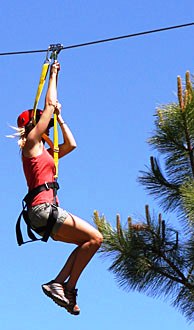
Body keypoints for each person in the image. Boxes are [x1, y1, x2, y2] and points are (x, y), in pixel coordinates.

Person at [16, 61, 103, 315]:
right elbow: (50, 105)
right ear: (33, 125)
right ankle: (66, 286)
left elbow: (71, 145)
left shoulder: (44, 153)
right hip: (42, 209)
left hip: (43, 213)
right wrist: (53, 75)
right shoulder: (31, 145)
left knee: (89, 242)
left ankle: (60, 284)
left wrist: (61, 119)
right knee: (96, 238)